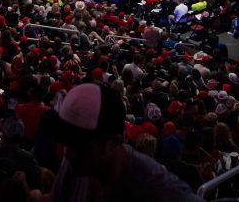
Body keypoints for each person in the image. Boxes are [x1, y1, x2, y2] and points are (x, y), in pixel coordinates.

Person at [44, 83, 202, 201]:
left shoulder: (157, 188)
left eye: (80, 146)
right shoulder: (74, 163)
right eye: (66, 142)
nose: (68, 153)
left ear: (114, 142)